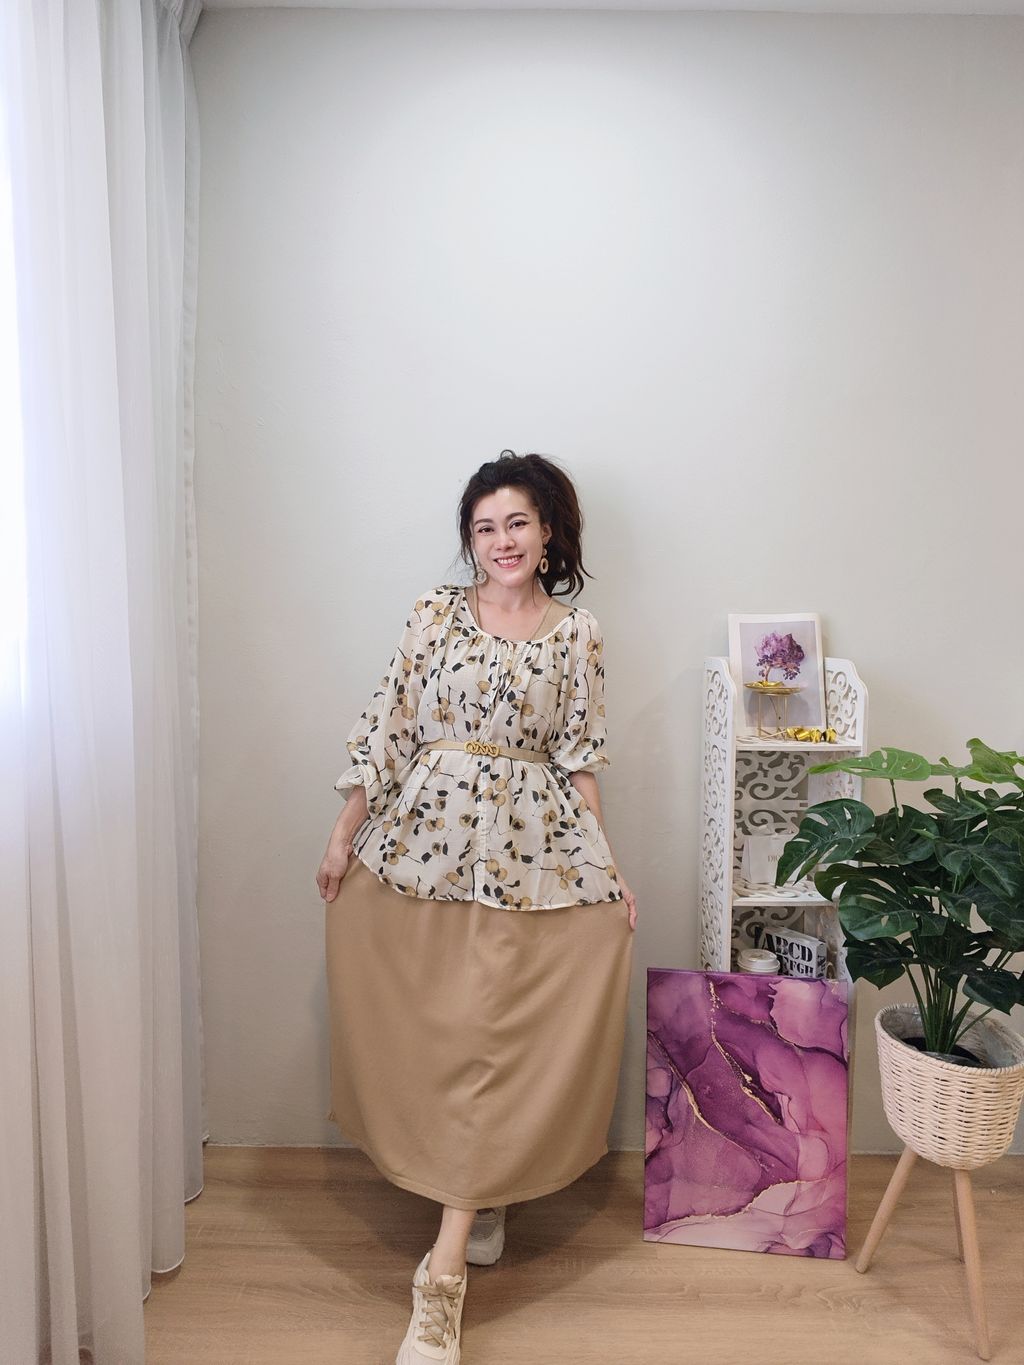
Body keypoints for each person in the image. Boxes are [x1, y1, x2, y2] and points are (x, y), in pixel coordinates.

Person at [316, 450, 637, 1365]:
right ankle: (481, 1190)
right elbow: (388, 728)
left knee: (500, 1033)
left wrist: (608, 867)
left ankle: (442, 1279)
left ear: (549, 533)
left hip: (533, 855)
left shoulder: (578, 634)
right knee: (446, 1033)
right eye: (485, 526)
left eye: (518, 523)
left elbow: (580, 758)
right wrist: (342, 835)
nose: (502, 540)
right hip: (421, 847)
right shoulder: (433, 613)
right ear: (471, 538)